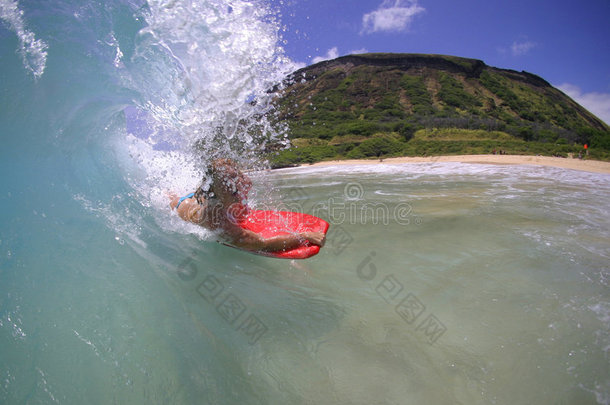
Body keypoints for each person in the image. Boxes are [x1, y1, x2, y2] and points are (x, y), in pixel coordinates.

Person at [169, 158, 325, 252]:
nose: (236, 182)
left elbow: (244, 184)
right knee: (173, 198)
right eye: (227, 180)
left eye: (235, 176)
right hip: (182, 206)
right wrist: (303, 237)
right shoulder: (217, 218)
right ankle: (169, 194)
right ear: (215, 188)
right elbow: (260, 244)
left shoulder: (235, 187)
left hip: (204, 198)